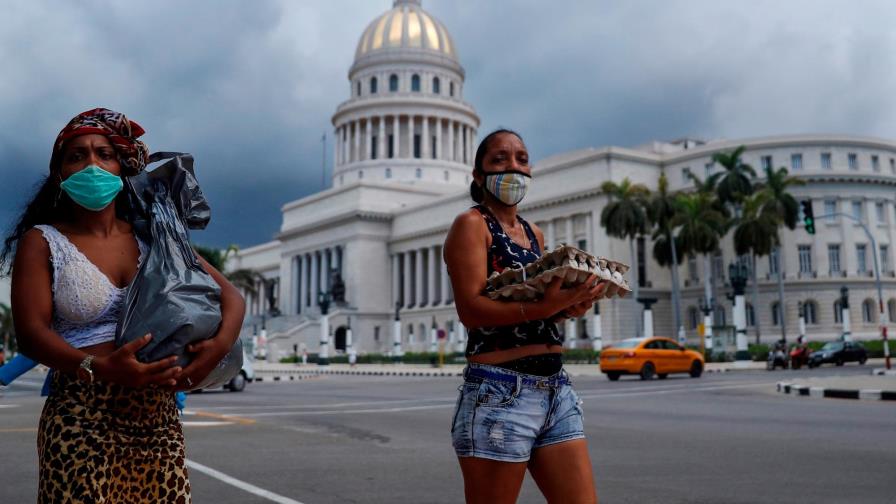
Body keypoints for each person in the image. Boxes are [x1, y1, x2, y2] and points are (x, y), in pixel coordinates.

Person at [0, 108, 245, 503]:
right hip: (81, 416)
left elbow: (231, 296)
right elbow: (31, 335)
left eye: (104, 154)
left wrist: (217, 348)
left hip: (156, 420)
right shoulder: (43, 241)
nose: (91, 164)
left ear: (123, 166)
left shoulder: (154, 238)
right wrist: (98, 367)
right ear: (60, 173)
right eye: (76, 155)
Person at [444, 129, 616, 504]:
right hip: (500, 391)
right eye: (500, 159)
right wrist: (547, 308)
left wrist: (572, 306)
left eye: (521, 158)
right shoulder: (471, 225)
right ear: (478, 175)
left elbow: (535, 309)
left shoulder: (533, 233)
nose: (514, 167)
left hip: (555, 389)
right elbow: (471, 311)